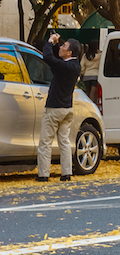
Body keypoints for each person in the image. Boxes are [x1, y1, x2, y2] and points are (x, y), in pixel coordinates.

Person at [36, 34, 81, 182]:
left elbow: (48, 58)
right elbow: (55, 59)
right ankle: (66, 173)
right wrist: (55, 45)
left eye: (64, 46)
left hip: (54, 108)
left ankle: (43, 174)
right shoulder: (75, 66)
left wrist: (50, 42)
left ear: (69, 52)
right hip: (67, 108)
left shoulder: (64, 66)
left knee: (45, 143)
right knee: (64, 142)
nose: (61, 47)